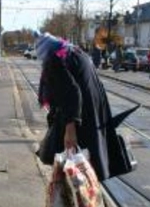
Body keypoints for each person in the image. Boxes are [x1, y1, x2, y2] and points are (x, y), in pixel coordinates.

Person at [36, 33, 116, 182]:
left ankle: (75, 202)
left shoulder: (55, 60)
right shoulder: (77, 53)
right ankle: (87, 200)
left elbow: (73, 93)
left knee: (72, 171)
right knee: (85, 167)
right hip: (92, 117)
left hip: (78, 120)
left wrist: (70, 129)